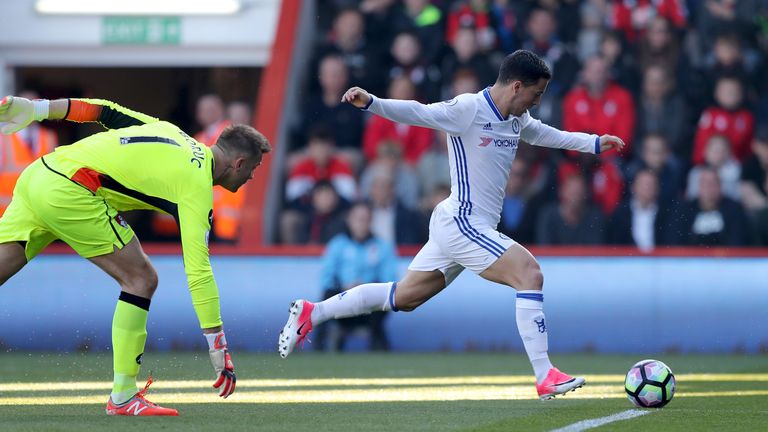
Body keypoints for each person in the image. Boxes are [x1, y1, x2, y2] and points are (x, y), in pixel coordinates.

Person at [279, 50, 625, 400]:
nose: (537, 101)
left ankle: (314, 311)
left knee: (404, 297)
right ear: (517, 86)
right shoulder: (468, 109)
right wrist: (372, 102)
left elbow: (545, 134)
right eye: (536, 94)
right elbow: (419, 112)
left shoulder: (517, 118)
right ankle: (544, 374)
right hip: (463, 222)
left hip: (461, 226)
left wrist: (593, 142)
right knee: (530, 274)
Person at [0, 95, 271, 415]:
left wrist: (38, 110)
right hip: (70, 190)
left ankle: (124, 396)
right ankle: (124, 395)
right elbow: (198, 271)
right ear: (239, 163)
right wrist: (217, 345)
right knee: (141, 279)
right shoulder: (197, 187)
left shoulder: (172, 132)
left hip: (40, 173)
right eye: (253, 169)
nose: (251, 178)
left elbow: (104, 111)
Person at [314, 201, 397, 352]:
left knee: (387, 297)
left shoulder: (382, 246)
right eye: (358, 219)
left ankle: (379, 347)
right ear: (349, 220)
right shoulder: (337, 245)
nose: (362, 224)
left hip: (370, 304)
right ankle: (318, 348)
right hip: (342, 300)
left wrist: (365, 288)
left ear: (371, 221)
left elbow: (390, 279)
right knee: (326, 295)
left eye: (365, 219)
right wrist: (344, 288)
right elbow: (327, 277)